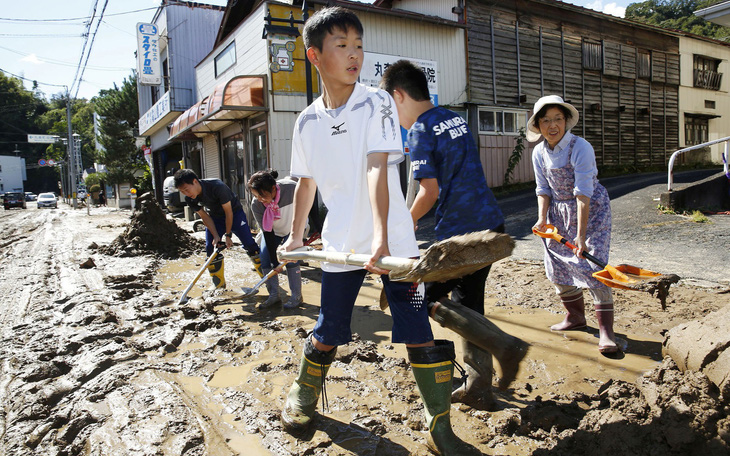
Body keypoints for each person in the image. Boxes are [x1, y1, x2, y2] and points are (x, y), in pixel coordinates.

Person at [279, 7, 480, 455]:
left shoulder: (376, 102)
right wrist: (294, 237)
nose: (354, 55)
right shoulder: (305, 122)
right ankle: (304, 393)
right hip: (340, 243)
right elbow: (306, 183)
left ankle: (439, 427)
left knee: (415, 326)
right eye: (341, 45)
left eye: (358, 45)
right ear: (315, 55)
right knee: (330, 326)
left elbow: (376, 168)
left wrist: (383, 238)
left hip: (393, 242)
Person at [381, 59, 528, 411]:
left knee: (421, 297)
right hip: (491, 225)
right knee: (468, 305)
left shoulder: (419, 130)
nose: (394, 117)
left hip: (460, 237)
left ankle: (506, 346)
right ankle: (479, 387)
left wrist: (404, 223)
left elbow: (427, 192)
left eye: (391, 107)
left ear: (399, 96)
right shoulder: (454, 118)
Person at [528, 95, 617, 354]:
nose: (552, 125)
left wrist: (580, 236)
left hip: (590, 209)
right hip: (558, 212)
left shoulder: (580, 147)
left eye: (557, 119)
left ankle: (606, 332)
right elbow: (543, 189)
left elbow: (583, 193)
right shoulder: (539, 152)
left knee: (593, 264)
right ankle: (575, 317)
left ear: (566, 121)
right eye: (546, 120)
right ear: (538, 125)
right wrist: (542, 219)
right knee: (556, 264)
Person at [173, 169, 262, 290]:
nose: (186, 194)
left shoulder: (217, 186)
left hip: (235, 214)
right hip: (215, 217)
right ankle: (219, 285)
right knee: (210, 248)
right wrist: (216, 236)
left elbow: (228, 212)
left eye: (186, 189)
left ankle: (267, 277)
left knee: (250, 245)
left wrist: (228, 235)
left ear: (195, 181)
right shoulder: (190, 199)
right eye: (182, 191)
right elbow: (204, 217)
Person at [248, 169, 303, 309]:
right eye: (256, 196)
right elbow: (268, 233)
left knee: (290, 259)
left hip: (292, 230)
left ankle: (296, 296)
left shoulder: (290, 188)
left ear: (273, 188)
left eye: (263, 195)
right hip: (273, 232)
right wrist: (274, 261)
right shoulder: (257, 204)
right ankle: (274, 295)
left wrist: (317, 226)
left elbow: (308, 202)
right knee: (265, 258)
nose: (260, 199)